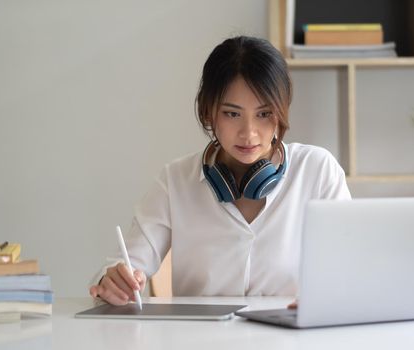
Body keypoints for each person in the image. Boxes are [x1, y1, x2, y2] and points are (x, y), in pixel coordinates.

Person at [89, 36, 351, 305]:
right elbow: (122, 267)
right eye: (232, 114)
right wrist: (112, 283)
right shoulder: (175, 181)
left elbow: (352, 270)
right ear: (208, 112)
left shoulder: (318, 171)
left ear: (282, 111)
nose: (248, 133)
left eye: (264, 114)